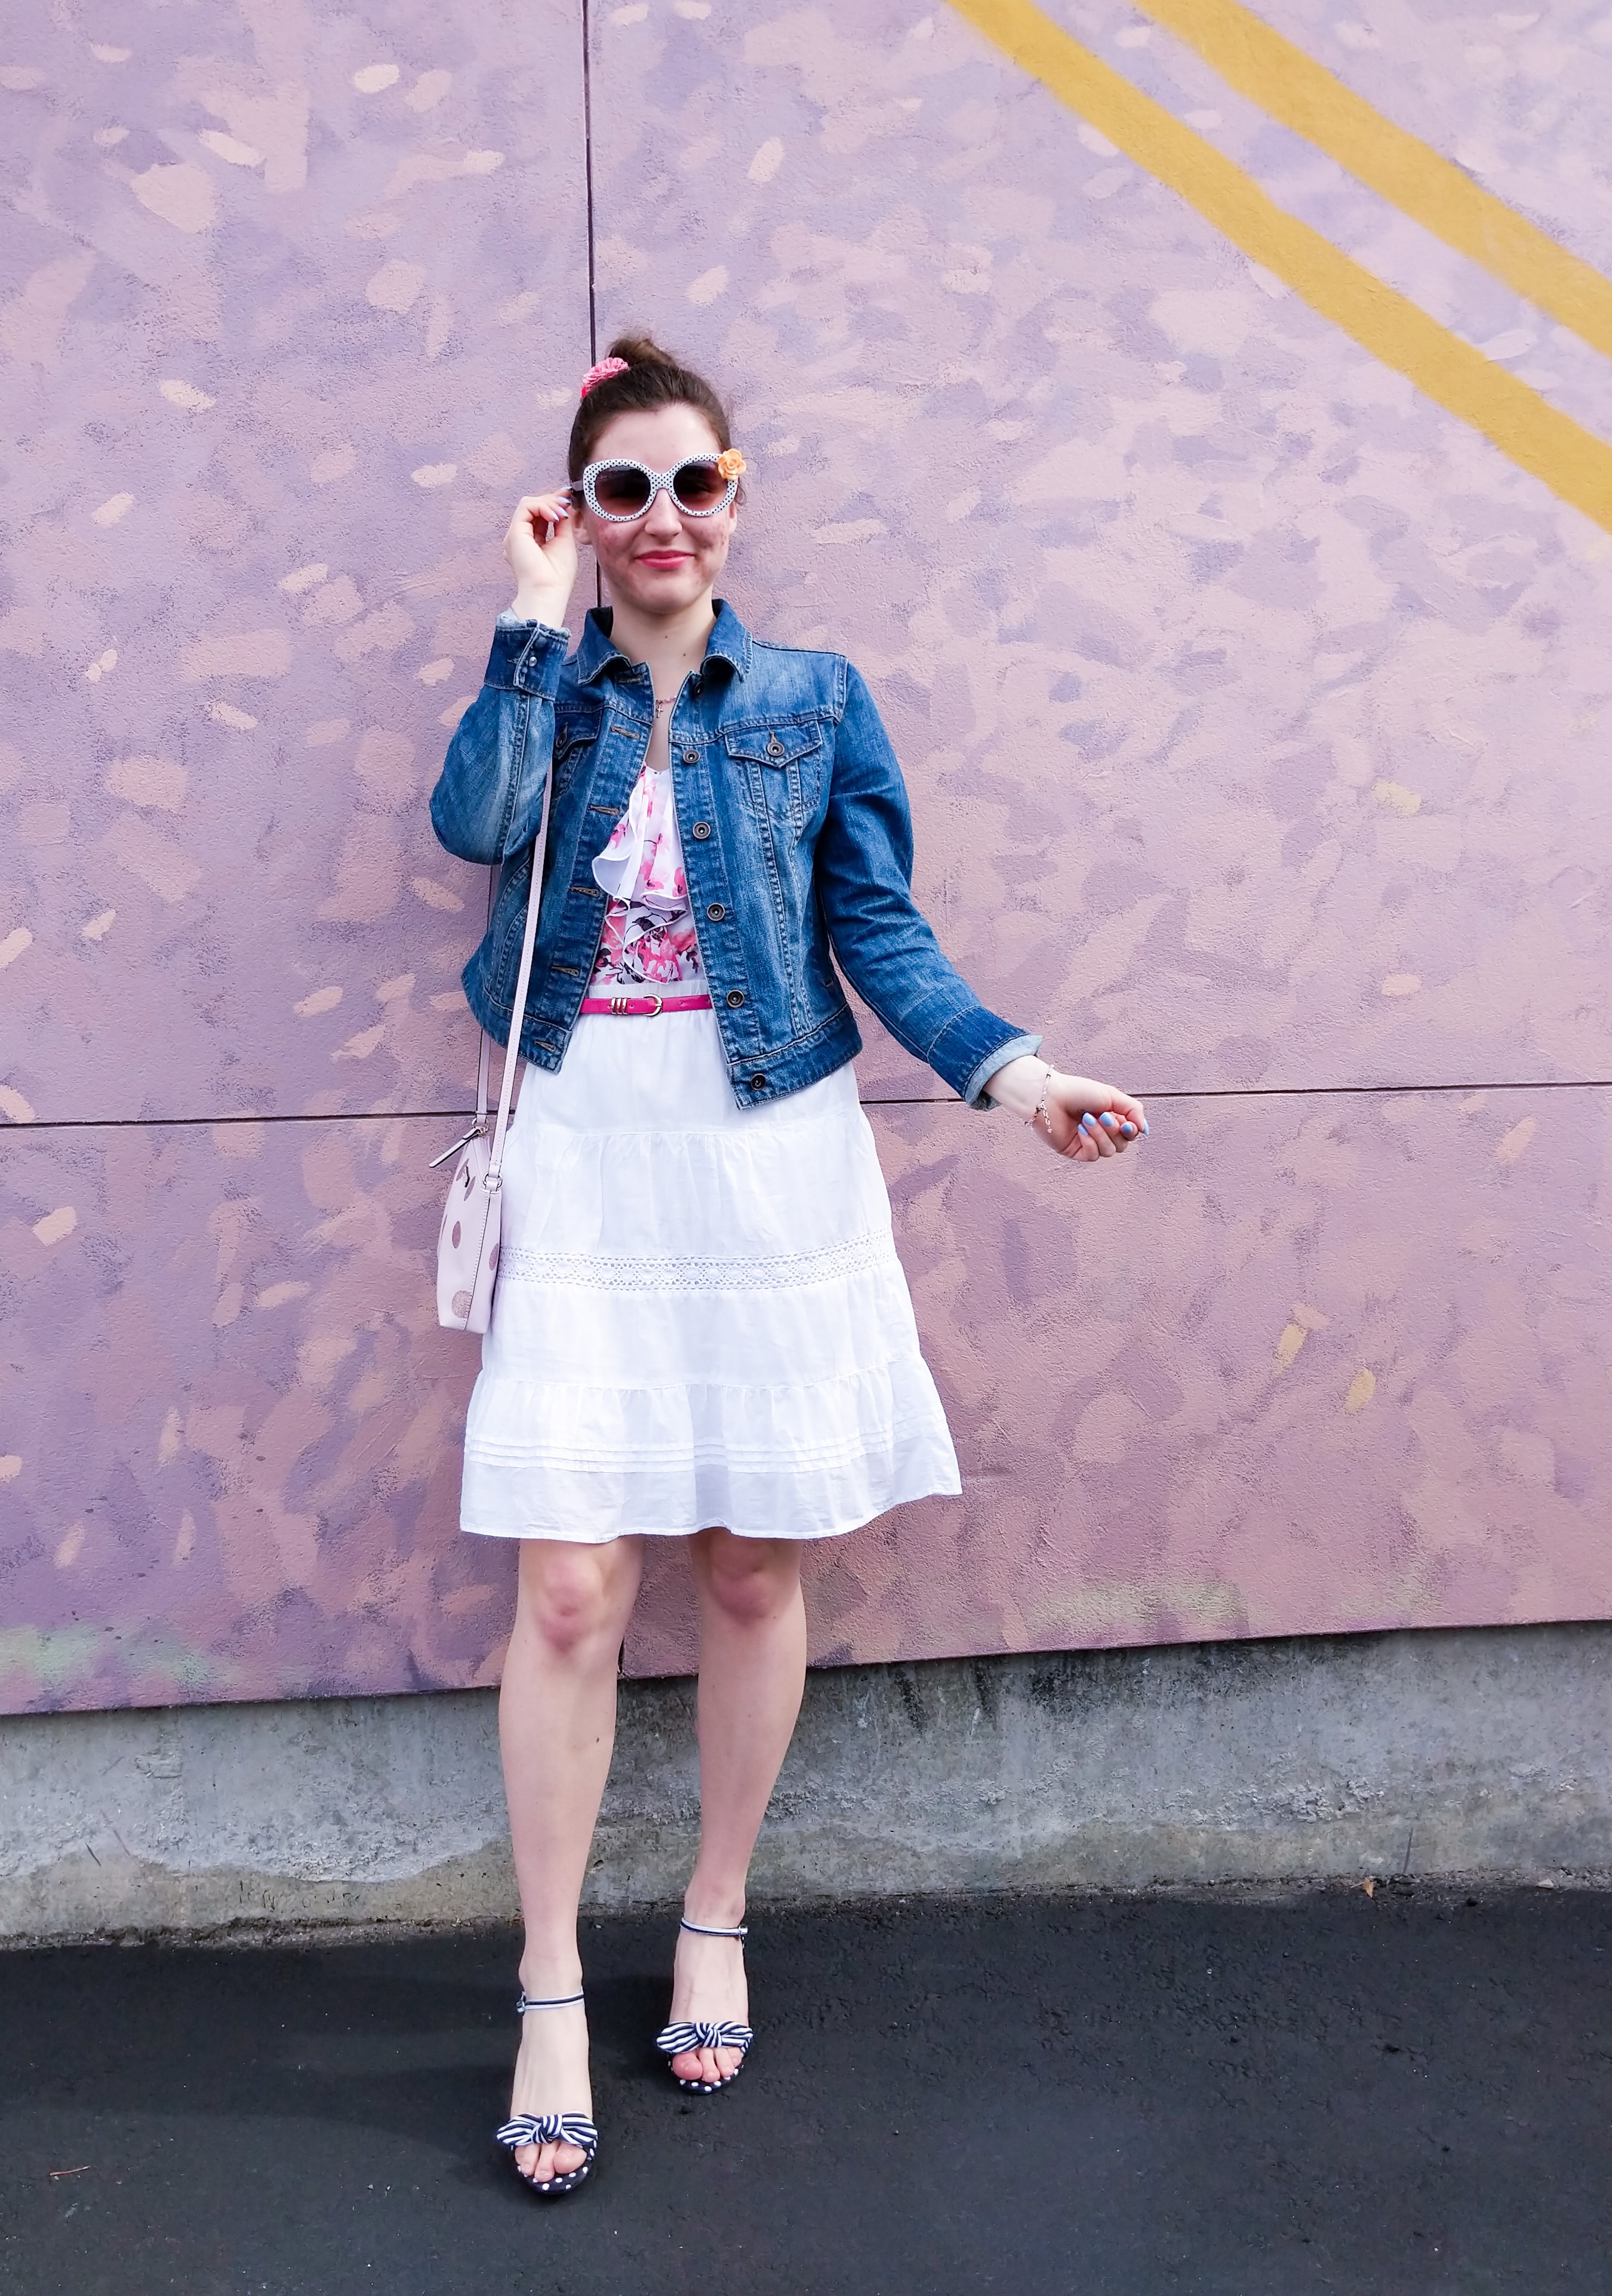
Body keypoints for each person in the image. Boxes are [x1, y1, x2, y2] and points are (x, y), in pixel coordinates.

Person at [428, 333, 1147, 2197]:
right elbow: (477, 828)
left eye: (694, 482)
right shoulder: (556, 695)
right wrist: (526, 620)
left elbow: (878, 927)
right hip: (593, 1141)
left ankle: (719, 1915)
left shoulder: (818, 697)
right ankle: (544, 1990)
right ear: (580, 516)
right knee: (572, 1590)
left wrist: (1012, 1069)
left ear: (738, 492)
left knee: (752, 1562)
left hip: (769, 1151)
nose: (663, 519)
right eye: (621, 490)